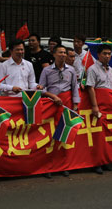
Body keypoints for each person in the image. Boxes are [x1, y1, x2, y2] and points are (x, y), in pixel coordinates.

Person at [38, 45, 79, 178]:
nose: (62, 55)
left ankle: (63, 165)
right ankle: (48, 166)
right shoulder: (47, 70)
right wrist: (52, 96)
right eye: (60, 53)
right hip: (51, 105)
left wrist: (75, 105)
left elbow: (74, 88)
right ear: (54, 54)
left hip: (66, 104)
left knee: (64, 135)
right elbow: (41, 89)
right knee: (51, 135)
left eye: (64, 53)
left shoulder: (71, 70)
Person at [85, 44, 112, 175]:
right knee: (97, 136)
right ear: (98, 55)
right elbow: (90, 87)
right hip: (99, 106)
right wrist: (94, 106)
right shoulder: (92, 69)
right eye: (104, 53)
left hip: (109, 106)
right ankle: (96, 163)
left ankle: (105, 161)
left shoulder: (110, 70)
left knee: (108, 136)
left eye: (109, 54)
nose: (107, 56)